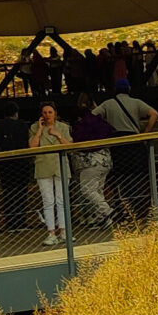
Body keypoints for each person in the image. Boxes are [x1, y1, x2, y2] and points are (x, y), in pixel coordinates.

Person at [27, 104, 72, 246]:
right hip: (43, 166)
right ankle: (51, 232)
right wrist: (40, 130)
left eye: (50, 112)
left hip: (60, 166)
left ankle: (64, 231)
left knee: (62, 200)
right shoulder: (34, 128)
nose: (47, 115)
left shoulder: (63, 127)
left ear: (55, 113)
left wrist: (58, 135)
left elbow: (69, 146)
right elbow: (32, 146)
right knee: (48, 201)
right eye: (45, 112)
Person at [67, 100, 117, 229]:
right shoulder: (100, 123)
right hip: (105, 161)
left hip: (89, 163)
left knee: (87, 189)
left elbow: (76, 142)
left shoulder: (81, 127)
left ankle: (106, 210)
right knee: (98, 190)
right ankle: (102, 219)